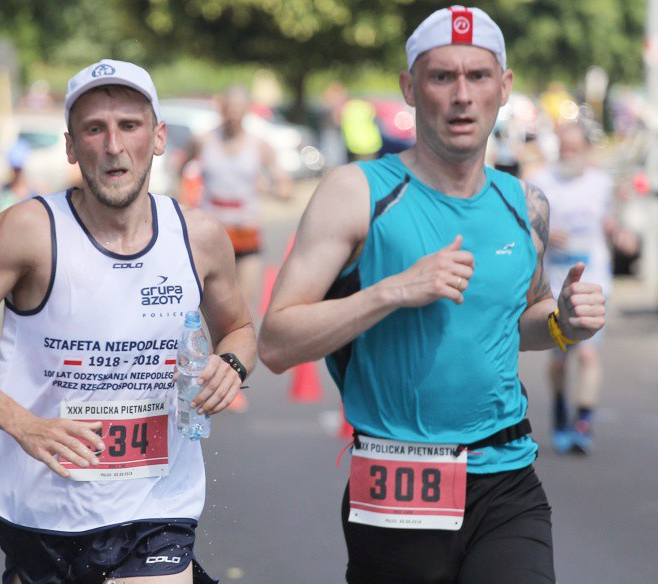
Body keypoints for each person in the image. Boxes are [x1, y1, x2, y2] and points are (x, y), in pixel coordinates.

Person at [259, 7, 605, 583]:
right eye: (442, 76)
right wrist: (393, 290)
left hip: (507, 479)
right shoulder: (357, 193)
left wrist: (562, 323)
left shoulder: (525, 204)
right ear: (410, 88)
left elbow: (522, 319)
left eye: (478, 76)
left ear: (504, 87)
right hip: (397, 483)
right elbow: (276, 343)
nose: (462, 95)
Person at [0, 59, 256, 584]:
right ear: (71, 147)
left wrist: (231, 365)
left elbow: (239, 329)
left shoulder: (199, 237)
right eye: (94, 129)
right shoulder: (27, 230)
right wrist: (24, 424)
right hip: (43, 509)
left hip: (158, 505)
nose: (113, 145)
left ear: (159, 137)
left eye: (130, 125)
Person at [530, 122, 637, 454]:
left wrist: (621, 235)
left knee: (588, 353)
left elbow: (609, 221)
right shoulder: (540, 181)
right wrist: (546, 235)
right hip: (553, 283)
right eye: (563, 148)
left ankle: (583, 422)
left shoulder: (600, 183)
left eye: (574, 149)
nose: (568, 154)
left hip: (594, 280)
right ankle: (561, 409)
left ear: (587, 150)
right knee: (560, 360)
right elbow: (524, 227)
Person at [192, 85, 291, 412]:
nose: (233, 114)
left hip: (246, 234)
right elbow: (179, 168)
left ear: (247, 110)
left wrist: (272, 188)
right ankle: (204, 372)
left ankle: (229, 381)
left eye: (239, 109)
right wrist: (184, 196)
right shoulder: (204, 141)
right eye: (228, 108)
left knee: (241, 312)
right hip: (210, 237)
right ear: (221, 109)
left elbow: (285, 187)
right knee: (205, 311)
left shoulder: (260, 146)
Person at [0, 138, 38, 225]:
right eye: (14, 168)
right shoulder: (0, 191)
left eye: (19, 169)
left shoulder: (35, 190)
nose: (16, 172)